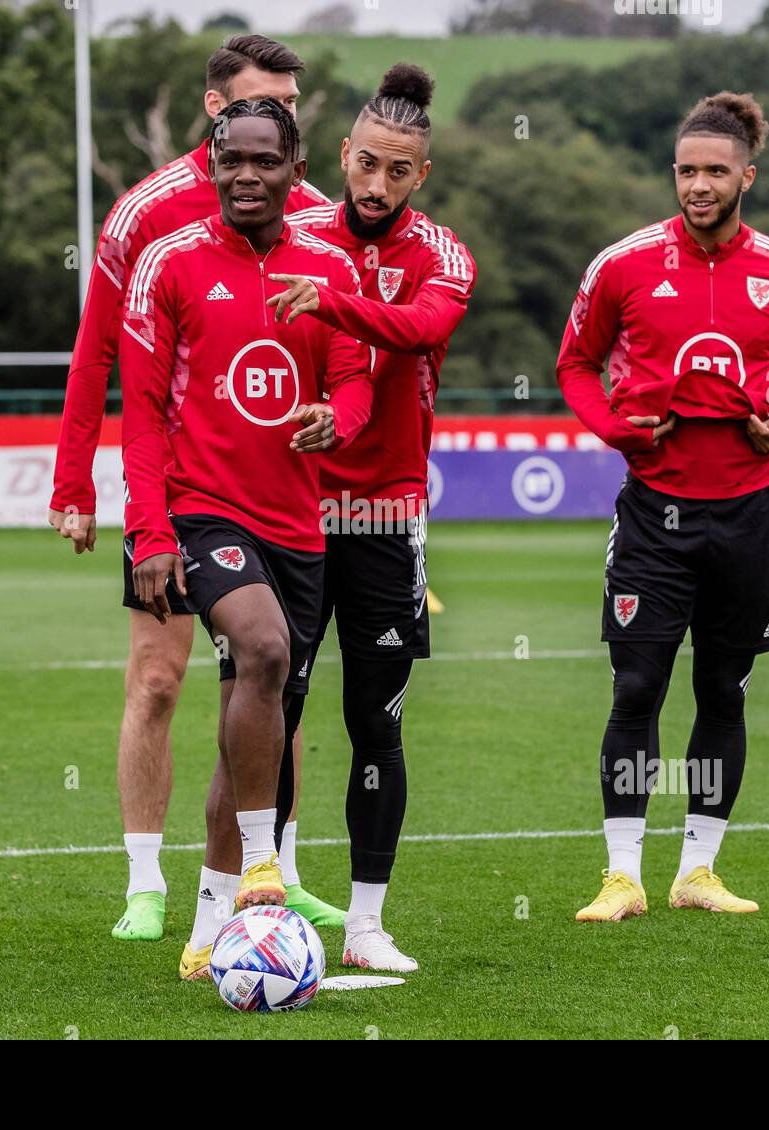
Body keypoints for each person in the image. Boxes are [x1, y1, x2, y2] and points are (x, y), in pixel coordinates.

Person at [47, 36, 342, 944]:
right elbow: (101, 349)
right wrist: (74, 479)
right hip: (179, 496)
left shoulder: (315, 218)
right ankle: (145, 882)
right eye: (267, 100)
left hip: (285, 501)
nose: (288, 114)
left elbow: (357, 335)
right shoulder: (147, 218)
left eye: (290, 109)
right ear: (218, 115)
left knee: (271, 672)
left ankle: (274, 874)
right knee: (161, 680)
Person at [118, 97, 374, 979]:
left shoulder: (331, 264)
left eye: (266, 160)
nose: (247, 176)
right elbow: (143, 417)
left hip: (298, 523)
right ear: (214, 162)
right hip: (200, 512)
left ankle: (208, 923)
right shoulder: (169, 263)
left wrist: (334, 420)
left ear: (294, 166)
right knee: (260, 648)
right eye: (233, 160)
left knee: (255, 718)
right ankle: (266, 866)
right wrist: (149, 530)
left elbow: (355, 380)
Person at [555, 91, 769, 922]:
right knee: (636, 686)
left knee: (724, 691)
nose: (698, 185)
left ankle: (697, 871)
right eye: (685, 170)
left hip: (746, 517)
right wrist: (619, 432)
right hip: (654, 517)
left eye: (714, 171)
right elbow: (574, 364)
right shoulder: (624, 265)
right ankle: (622, 875)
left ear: (748, 173)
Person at [261, 64, 476, 972]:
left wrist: (337, 297)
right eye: (367, 164)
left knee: (373, 721)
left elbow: (421, 329)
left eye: (398, 171)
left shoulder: (444, 255)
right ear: (344, 155)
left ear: (419, 176)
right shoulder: (292, 234)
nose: (377, 184)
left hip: (384, 515)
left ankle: (364, 926)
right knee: (276, 703)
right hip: (295, 507)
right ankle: (267, 901)